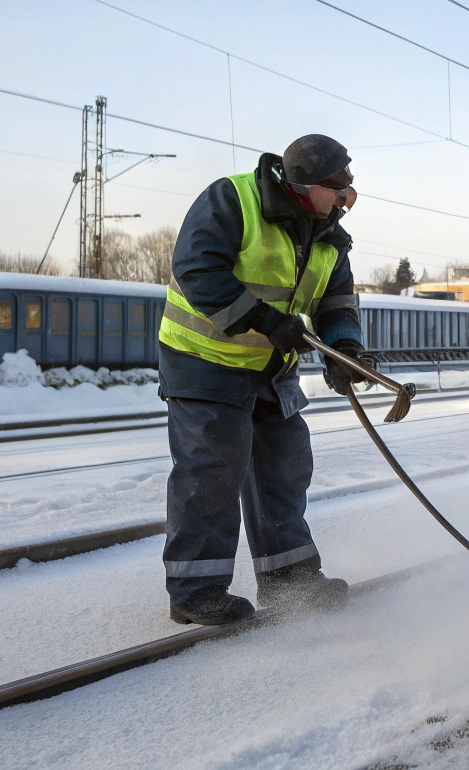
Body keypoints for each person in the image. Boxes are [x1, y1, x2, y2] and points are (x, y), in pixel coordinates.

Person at [156, 134, 375, 625]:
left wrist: (343, 348)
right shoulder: (232, 200)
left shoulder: (327, 232)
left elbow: (337, 300)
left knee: (284, 465)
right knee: (213, 470)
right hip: (203, 360)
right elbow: (196, 269)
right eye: (338, 190)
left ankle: (289, 578)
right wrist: (264, 320)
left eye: (350, 192)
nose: (345, 201)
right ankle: (194, 591)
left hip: (271, 366)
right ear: (304, 183)